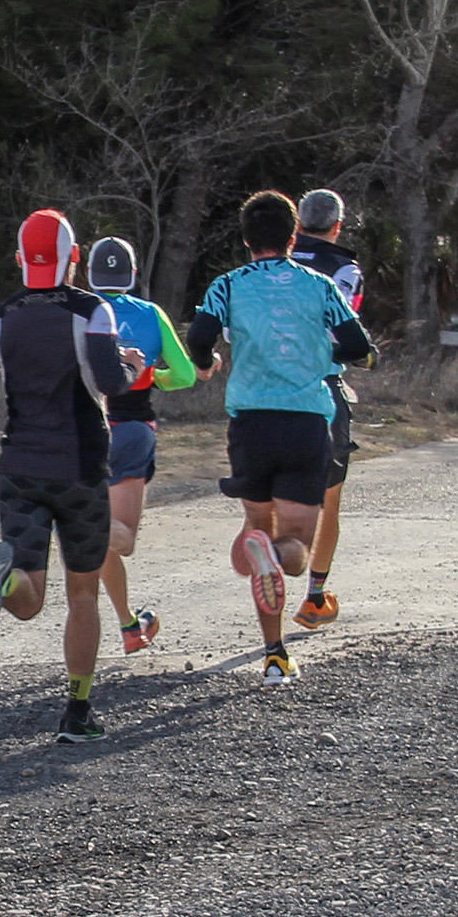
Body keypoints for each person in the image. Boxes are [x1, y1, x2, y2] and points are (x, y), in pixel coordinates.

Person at [0, 209, 133, 742]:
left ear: (18, 260)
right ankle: (78, 713)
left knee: (29, 601)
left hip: (19, 469)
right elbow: (109, 382)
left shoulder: (1, 317)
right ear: (74, 258)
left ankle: (5, 577)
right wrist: (129, 365)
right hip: (79, 470)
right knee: (83, 596)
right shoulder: (92, 310)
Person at [184, 192, 373, 687]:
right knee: (295, 549)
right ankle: (274, 639)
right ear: (293, 237)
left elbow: (199, 337)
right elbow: (357, 346)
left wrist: (207, 365)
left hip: (250, 421)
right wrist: (325, 348)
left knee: (257, 531)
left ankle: (274, 652)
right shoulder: (321, 286)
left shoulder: (227, 285)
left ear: (246, 240)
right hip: (307, 419)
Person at [84, 236, 197, 653]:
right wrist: (158, 377)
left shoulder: (77, 310)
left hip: (82, 430)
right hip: (130, 428)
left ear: (89, 274)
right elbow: (183, 375)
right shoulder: (150, 313)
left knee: (99, 536)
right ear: (132, 275)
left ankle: (130, 626)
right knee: (121, 538)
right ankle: (73, 525)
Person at [289, 189, 364, 631]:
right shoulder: (344, 269)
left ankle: (272, 570)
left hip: (269, 388)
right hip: (323, 385)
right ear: (337, 226)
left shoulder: (275, 262)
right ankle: (315, 596)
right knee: (328, 500)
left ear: (297, 225)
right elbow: (345, 330)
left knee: (276, 491)